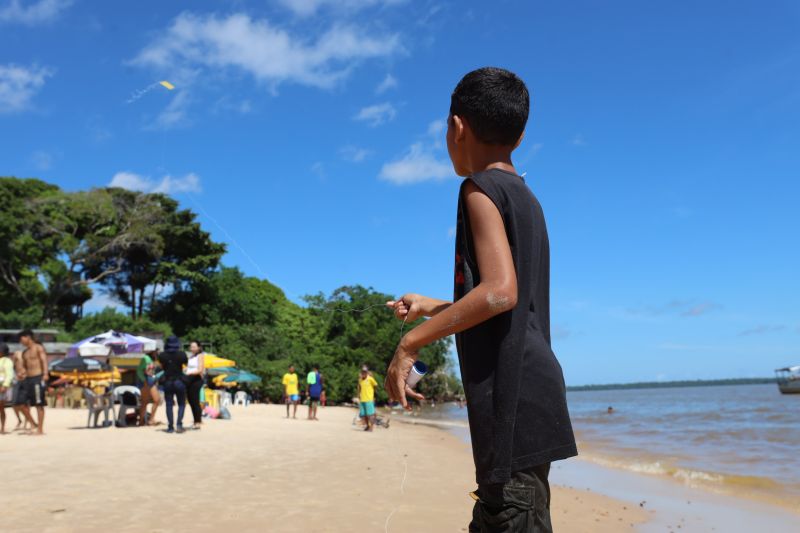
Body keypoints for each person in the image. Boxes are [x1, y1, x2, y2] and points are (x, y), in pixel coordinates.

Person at [385, 67, 577, 532]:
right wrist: (432, 305)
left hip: (512, 403)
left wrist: (411, 343)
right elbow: (506, 297)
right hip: (531, 398)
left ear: (456, 127)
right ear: (521, 134)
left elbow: (500, 293)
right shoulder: (524, 195)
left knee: (509, 510)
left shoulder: (478, 189)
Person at [17, 330, 48, 435]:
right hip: (28, 380)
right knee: (20, 404)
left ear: (28, 337)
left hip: (38, 378)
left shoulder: (38, 348)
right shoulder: (24, 353)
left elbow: (44, 361)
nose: (21, 341)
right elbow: (25, 368)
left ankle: (40, 429)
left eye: (21, 339)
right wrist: (22, 374)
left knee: (39, 404)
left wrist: (45, 374)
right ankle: (33, 423)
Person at [158, 336, 188, 434]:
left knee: (169, 405)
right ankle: (179, 425)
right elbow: (186, 365)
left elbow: (162, 367)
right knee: (182, 404)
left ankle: (170, 427)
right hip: (179, 381)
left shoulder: (162, 355)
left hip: (167, 382)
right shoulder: (182, 354)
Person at [184, 341, 206, 430]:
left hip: (196, 379)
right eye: (191, 347)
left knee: (195, 401)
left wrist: (189, 373)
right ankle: (196, 420)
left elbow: (200, 369)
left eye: (194, 347)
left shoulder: (200, 356)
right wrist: (186, 370)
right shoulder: (191, 357)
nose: (192, 348)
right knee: (191, 401)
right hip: (189, 379)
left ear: (198, 347)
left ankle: (198, 422)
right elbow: (189, 367)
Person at [136, 350, 161, 426]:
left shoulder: (150, 359)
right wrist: (144, 381)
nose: (158, 353)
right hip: (146, 381)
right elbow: (139, 370)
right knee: (152, 401)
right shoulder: (146, 358)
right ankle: (146, 420)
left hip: (149, 381)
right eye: (157, 352)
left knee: (148, 401)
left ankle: (145, 420)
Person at [357, 366, 378, 432]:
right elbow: (359, 387)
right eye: (363, 372)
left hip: (369, 399)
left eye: (365, 372)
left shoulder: (370, 379)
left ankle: (371, 427)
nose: (364, 373)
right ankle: (367, 426)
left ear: (367, 372)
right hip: (362, 399)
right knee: (364, 415)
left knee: (370, 414)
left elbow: (375, 386)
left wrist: (373, 396)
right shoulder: (360, 380)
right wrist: (358, 395)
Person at [0, 342, 14, 434]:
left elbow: (9, 375)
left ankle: (3, 427)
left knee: (1, 408)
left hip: (2, 386)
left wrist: (5, 385)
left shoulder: (7, 361)